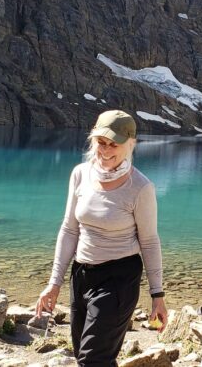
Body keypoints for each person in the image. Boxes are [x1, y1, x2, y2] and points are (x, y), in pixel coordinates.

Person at [36, 110, 167, 366]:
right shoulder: (80, 174)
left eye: (114, 144)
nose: (106, 151)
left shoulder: (141, 187)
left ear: (131, 144)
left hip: (119, 279)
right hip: (81, 275)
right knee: (88, 355)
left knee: (92, 359)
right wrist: (54, 283)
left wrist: (157, 295)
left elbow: (150, 242)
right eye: (101, 142)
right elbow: (69, 229)